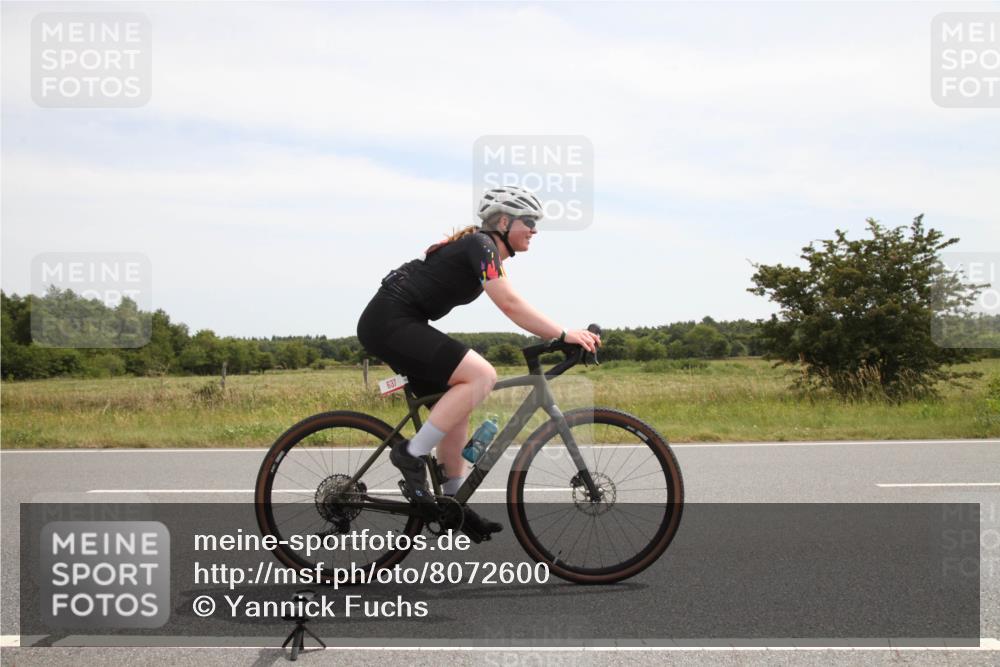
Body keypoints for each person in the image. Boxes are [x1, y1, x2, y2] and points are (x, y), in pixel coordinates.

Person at [356, 185, 601, 542]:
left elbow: (514, 302)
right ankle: (410, 454)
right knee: (482, 375)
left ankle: (453, 503)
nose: (535, 230)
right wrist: (565, 334)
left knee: (456, 406)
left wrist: (560, 335)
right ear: (503, 221)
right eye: (529, 221)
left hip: (399, 321)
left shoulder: (485, 251)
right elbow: (510, 304)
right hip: (389, 321)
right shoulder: (481, 245)